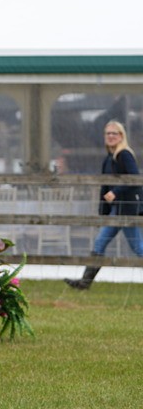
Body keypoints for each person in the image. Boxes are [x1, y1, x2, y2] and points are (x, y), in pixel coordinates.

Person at [65, 120, 143, 289]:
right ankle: (84, 283)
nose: (110, 136)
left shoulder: (124, 155)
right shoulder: (109, 157)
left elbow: (135, 179)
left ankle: (84, 283)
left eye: (114, 133)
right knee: (100, 243)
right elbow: (104, 185)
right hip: (116, 210)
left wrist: (116, 192)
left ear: (121, 136)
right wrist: (103, 210)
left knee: (138, 247)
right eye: (108, 133)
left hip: (126, 210)